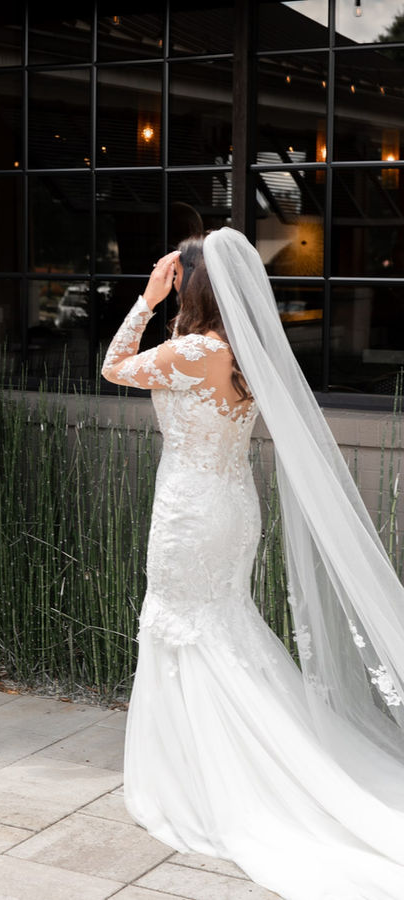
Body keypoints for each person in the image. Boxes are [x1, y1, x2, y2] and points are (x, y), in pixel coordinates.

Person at [102, 227, 404, 899]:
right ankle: (216, 764)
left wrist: (148, 300)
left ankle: (217, 780)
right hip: (232, 504)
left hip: (190, 512)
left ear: (193, 286)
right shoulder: (244, 349)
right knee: (222, 628)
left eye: (180, 275)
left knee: (185, 626)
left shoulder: (193, 349)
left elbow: (114, 366)